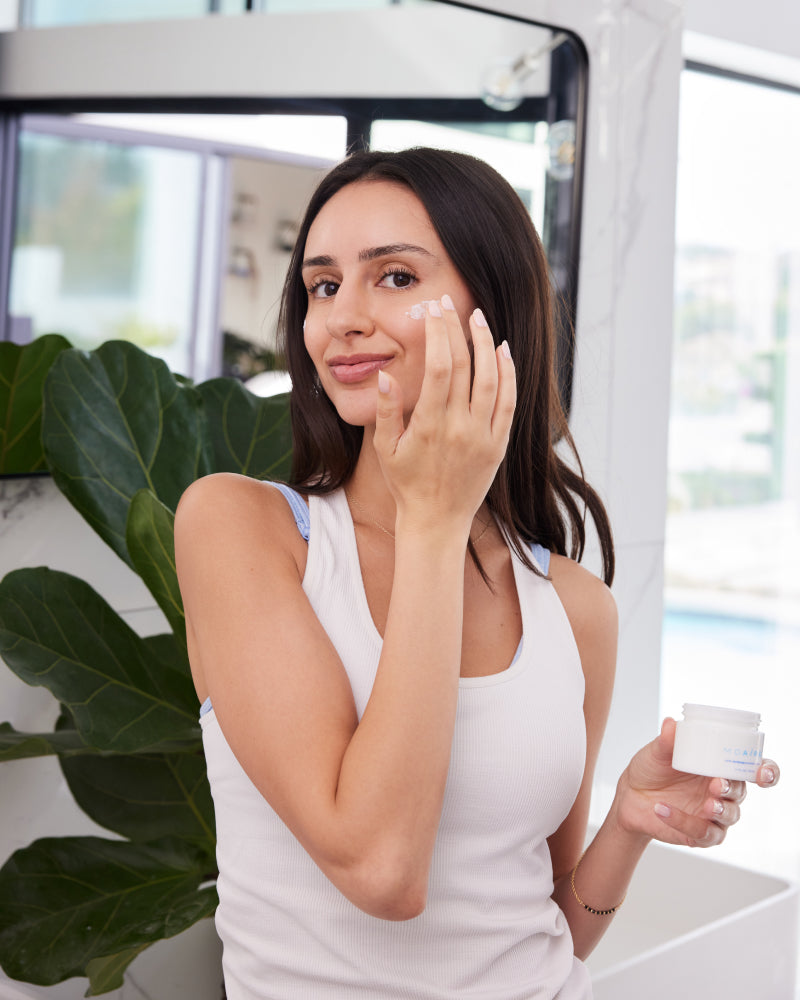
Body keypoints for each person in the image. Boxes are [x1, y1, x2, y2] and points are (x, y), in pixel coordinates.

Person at [174, 147, 779, 1000]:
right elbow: (382, 871)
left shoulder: (575, 608)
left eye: (393, 277)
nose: (343, 317)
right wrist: (434, 521)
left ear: (492, 309)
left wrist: (629, 822)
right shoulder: (244, 528)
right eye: (323, 285)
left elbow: (547, 928)